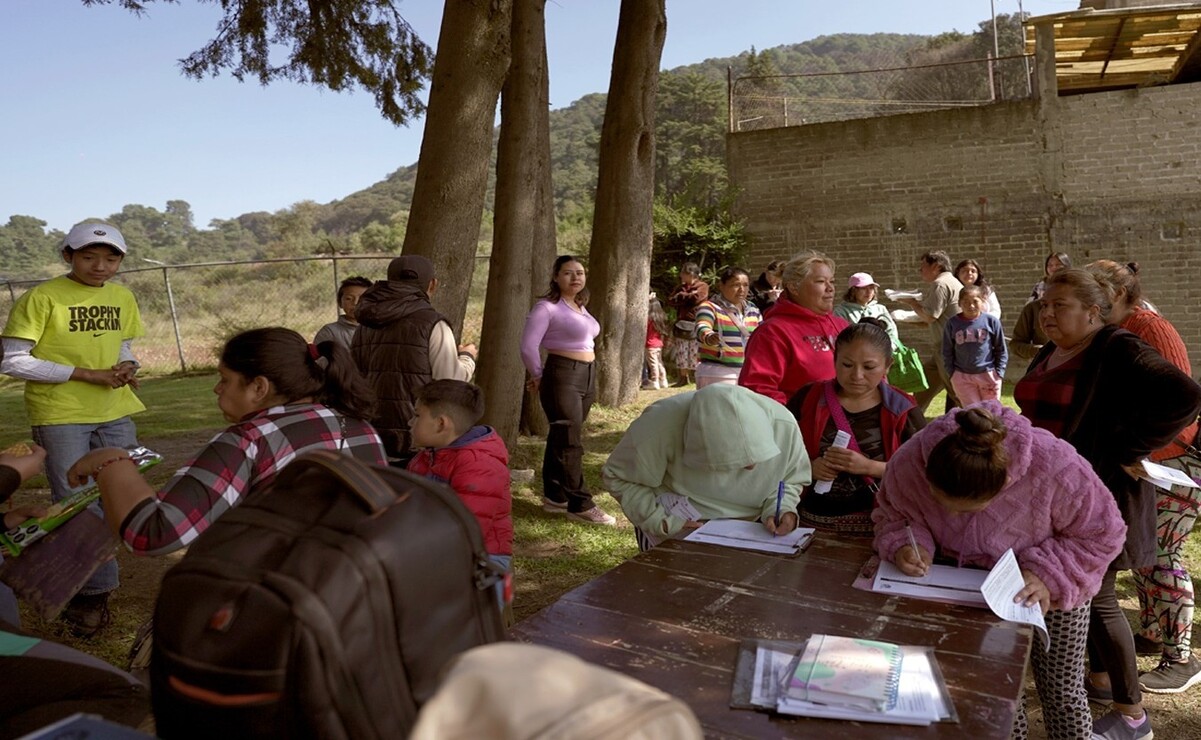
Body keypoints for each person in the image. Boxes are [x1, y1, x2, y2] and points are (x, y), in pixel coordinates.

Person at [1014, 268, 1201, 740]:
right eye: (1044, 304)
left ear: (1093, 311)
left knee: (1096, 598)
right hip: (1052, 494)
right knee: (1080, 594)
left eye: (1060, 305)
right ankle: (1098, 681)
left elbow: (1184, 396)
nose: (1047, 313)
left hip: (1101, 496)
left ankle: (1133, 716)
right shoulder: (1053, 351)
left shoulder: (1117, 347)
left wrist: (1127, 445)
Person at [874, 403, 1126, 740]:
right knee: (999, 688)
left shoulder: (1056, 466)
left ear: (1001, 486)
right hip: (968, 590)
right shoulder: (910, 462)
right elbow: (897, 513)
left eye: (967, 508)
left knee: (1062, 690)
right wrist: (911, 544)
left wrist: (1047, 573)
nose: (949, 514)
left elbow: (1103, 532)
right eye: (941, 502)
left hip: (1055, 589)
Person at [66, 327, 388, 556]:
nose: (217, 390)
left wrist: (112, 462)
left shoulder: (248, 439)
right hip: (356, 602)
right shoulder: (360, 427)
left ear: (258, 388)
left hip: (279, 610)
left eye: (225, 380)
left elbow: (154, 534)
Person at [0, 221, 145, 636]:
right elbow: (13, 360)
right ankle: (92, 597)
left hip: (115, 409)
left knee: (124, 490)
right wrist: (86, 374)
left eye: (111, 257)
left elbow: (123, 343)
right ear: (68, 256)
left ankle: (91, 577)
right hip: (61, 412)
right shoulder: (41, 297)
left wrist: (126, 365)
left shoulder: (122, 296)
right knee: (75, 500)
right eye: (88, 256)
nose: (100, 266)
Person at [1088, 259, 1201, 694]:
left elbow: (1181, 402)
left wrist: (1142, 449)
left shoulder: (1153, 328)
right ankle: (1155, 633)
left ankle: (1182, 658)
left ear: (1114, 295)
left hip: (1172, 463)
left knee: (1164, 555)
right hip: (1147, 462)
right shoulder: (1117, 329)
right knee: (1145, 551)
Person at [602, 384, 809, 551]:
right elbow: (619, 477)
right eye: (734, 463)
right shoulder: (658, 426)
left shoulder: (784, 425)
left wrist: (780, 508)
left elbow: (791, 479)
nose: (750, 468)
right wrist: (661, 521)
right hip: (675, 522)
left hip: (753, 531)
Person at [786, 320, 924, 535]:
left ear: (887, 365)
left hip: (879, 528)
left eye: (869, 367)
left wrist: (869, 467)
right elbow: (780, 455)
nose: (857, 376)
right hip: (810, 524)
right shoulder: (808, 399)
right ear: (835, 360)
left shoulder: (903, 410)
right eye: (847, 365)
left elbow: (924, 471)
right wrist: (808, 468)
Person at [352, 255, 478, 465]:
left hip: (371, 434)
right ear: (432, 284)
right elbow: (449, 384)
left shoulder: (364, 326)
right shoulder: (433, 324)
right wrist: (467, 357)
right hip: (416, 435)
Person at [520, 256, 616, 526]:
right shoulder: (546, 308)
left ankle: (555, 496)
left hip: (586, 374)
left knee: (563, 435)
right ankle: (580, 503)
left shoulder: (580, 307)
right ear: (555, 277)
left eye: (580, 273)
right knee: (570, 439)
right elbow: (528, 346)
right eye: (568, 273)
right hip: (561, 373)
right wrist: (539, 375)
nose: (575, 278)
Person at [406, 380, 512, 613]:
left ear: (441, 424)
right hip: (439, 551)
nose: (410, 423)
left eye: (417, 416)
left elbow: (467, 532)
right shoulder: (426, 457)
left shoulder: (479, 465)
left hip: (483, 562)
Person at [738, 251, 849, 405]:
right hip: (801, 425)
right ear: (794, 288)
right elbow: (757, 390)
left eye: (832, 281)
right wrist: (800, 414)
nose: (830, 288)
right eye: (820, 281)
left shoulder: (842, 326)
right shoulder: (772, 332)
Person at [900, 250, 962, 416]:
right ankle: (912, 418)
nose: (920, 271)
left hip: (948, 348)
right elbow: (936, 318)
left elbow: (930, 315)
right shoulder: (951, 282)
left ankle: (972, 429)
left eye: (923, 266)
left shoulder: (940, 284)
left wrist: (911, 302)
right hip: (948, 346)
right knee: (925, 383)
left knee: (956, 392)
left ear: (936, 266)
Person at [693, 266, 762, 389]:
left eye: (745, 285)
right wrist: (709, 336)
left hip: (747, 372)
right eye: (735, 285)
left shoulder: (753, 309)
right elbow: (702, 326)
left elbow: (762, 333)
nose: (742, 290)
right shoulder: (709, 307)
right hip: (717, 373)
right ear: (721, 286)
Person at [942, 285, 1008, 406]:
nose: (971, 305)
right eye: (966, 302)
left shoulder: (991, 321)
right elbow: (947, 351)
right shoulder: (952, 323)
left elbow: (1001, 349)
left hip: (988, 374)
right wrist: (952, 374)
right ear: (959, 303)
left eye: (975, 301)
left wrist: (999, 372)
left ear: (983, 301)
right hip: (962, 376)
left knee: (991, 411)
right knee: (972, 412)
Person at [666, 262, 709, 387]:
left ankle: (696, 376)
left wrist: (682, 296)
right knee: (682, 352)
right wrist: (685, 296)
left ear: (690, 273)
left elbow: (697, 298)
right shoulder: (680, 287)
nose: (681, 276)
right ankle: (683, 378)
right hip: (682, 324)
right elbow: (671, 300)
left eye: (683, 273)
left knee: (695, 351)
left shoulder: (703, 286)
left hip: (697, 323)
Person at [833, 272, 900, 348]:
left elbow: (892, 333)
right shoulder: (841, 312)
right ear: (853, 291)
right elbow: (839, 338)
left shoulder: (880, 309)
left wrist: (887, 350)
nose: (868, 292)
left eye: (871, 288)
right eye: (863, 288)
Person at [314, 275, 372, 351]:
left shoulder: (381, 330)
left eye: (362, 298)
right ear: (340, 302)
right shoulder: (330, 332)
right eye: (349, 298)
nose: (355, 302)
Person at [1009, 297, 1049, 367]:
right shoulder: (1033, 308)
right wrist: (1035, 350)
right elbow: (1015, 344)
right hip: (1044, 368)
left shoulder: (1074, 307)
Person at [643, 294, 669, 391]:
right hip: (658, 344)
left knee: (653, 363)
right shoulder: (659, 319)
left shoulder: (649, 320)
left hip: (650, 344)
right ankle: (663, 380)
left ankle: (655, 381)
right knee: (659, 362)